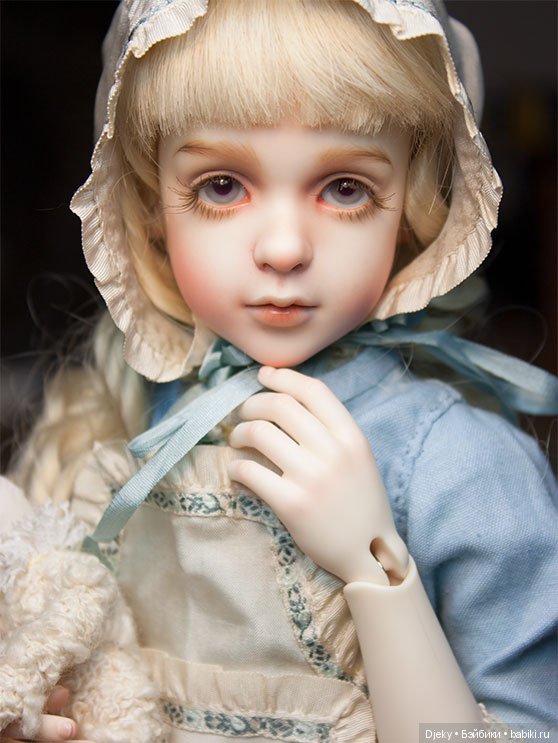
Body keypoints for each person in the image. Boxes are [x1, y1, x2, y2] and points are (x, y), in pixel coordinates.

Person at [1, 0, 556, 741]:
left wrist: (374, 567)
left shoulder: (465, 468)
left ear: (415, 207)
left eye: (346, 187)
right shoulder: (139, 421)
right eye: (221, 186)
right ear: (151, 207)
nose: (285, 247)